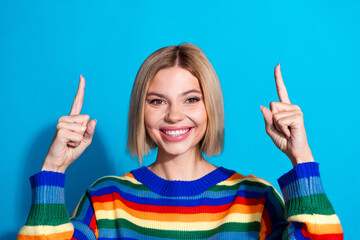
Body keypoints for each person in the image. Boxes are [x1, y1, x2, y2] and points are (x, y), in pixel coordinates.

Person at [18, 43, 343, 239]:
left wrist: (302, 159)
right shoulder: (106, 200)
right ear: (140, 111)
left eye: (190, 99)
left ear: (210, 107)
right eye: (157, 101)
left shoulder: (255, 199)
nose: (174, 115)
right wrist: (53, 168)